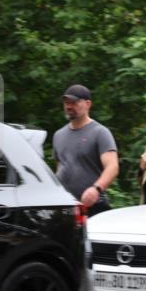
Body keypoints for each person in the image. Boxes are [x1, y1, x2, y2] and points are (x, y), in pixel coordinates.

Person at [53, 84, 119, 217]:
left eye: (74, 102)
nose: (69, 106)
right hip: (66, 207)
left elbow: (113, 167)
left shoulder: (100, 132)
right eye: (66, 103)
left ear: (88, 104)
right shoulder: (58, 135)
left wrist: (96, 189)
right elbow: (60, 168)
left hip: (93, 206)